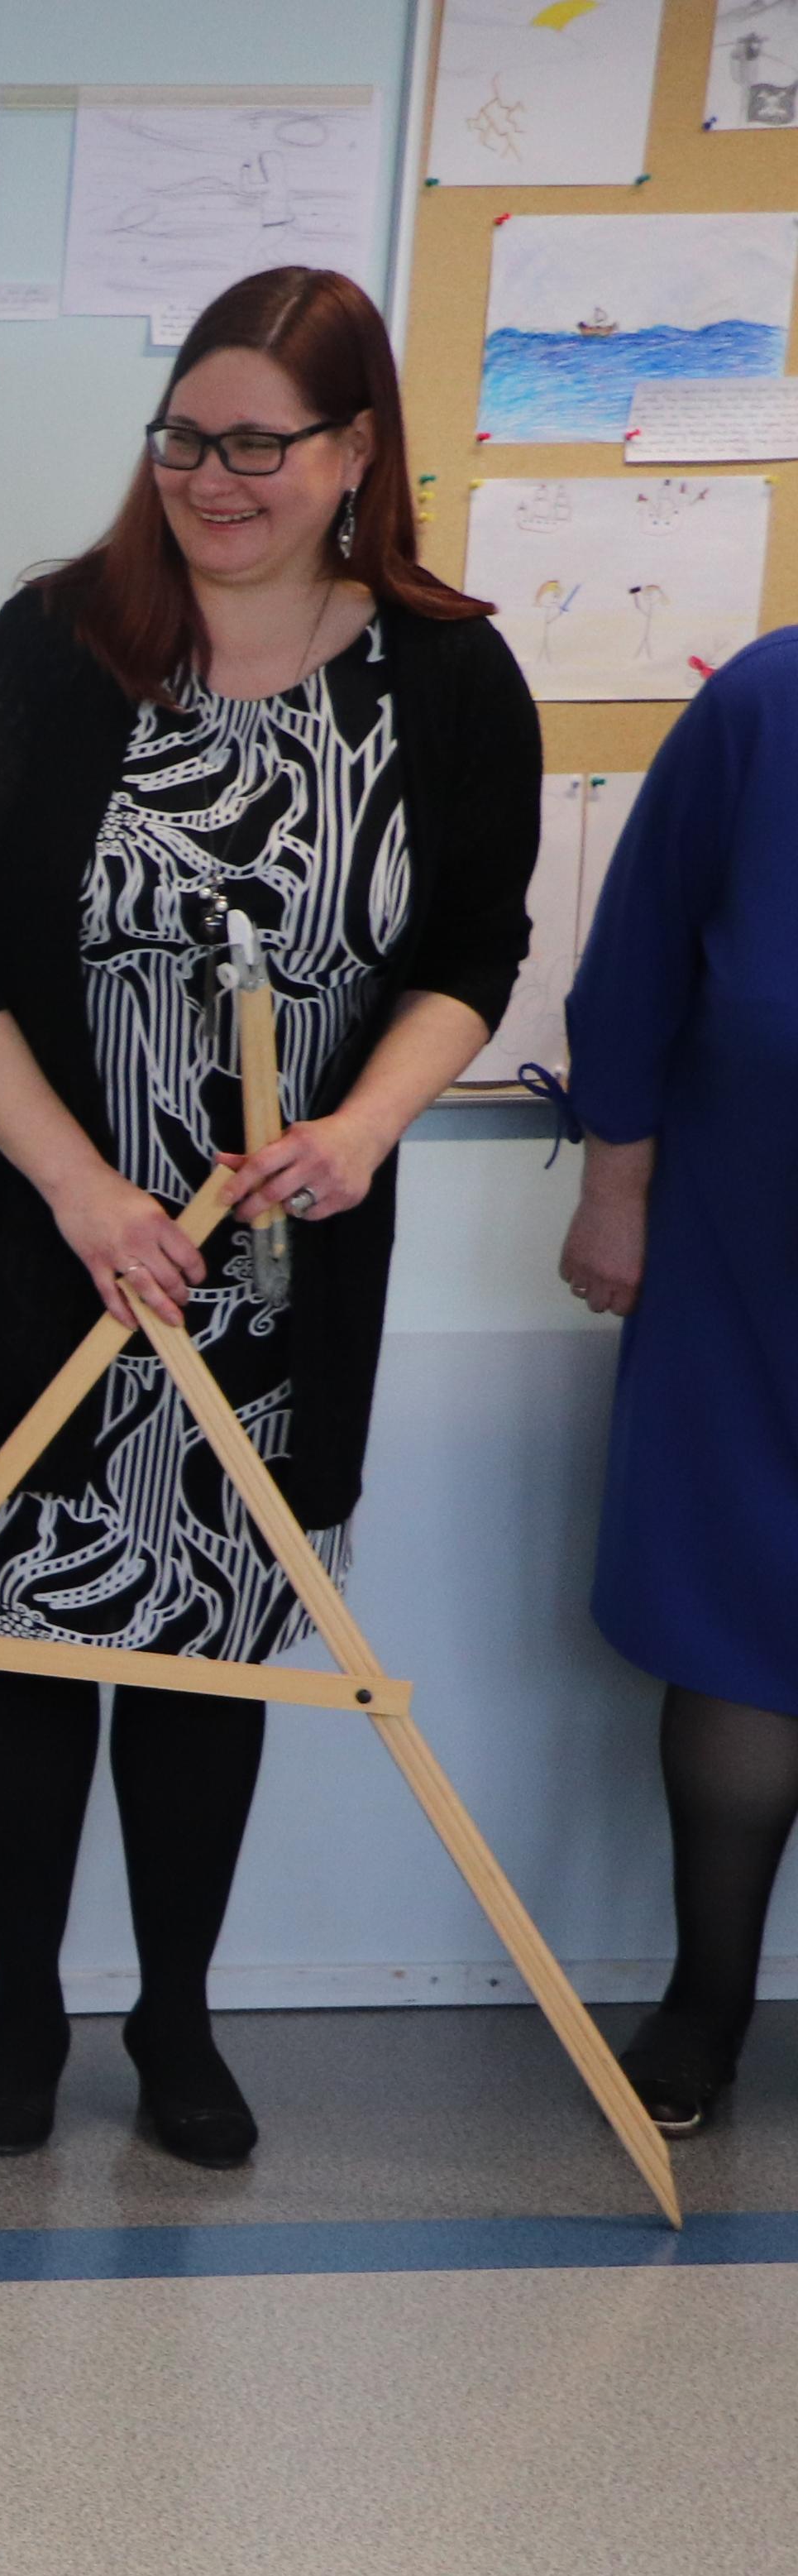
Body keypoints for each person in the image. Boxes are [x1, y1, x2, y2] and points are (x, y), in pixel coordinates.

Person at [0, 267, 535, 2167]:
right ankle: (23, 2003)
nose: (214, 479)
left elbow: (472, 950)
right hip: (33, 1242)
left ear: (356, 449)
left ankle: (175, 2010)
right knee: (16, 1634)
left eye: (259, 444)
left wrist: (368, 1126)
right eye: (184, 439)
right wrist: (81, 1190)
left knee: (210, 1643)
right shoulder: (56, 643)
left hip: (270, 1264)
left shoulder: (446, 675)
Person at [553, 628, 798, 2131]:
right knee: (738, 1593)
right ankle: (706, 2003)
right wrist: (614, 1190)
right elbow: (637, 952)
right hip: (746, 1240)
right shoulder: (769, 696)